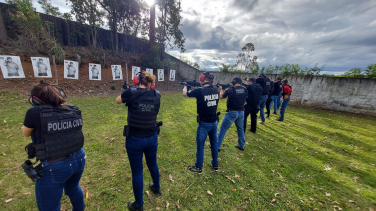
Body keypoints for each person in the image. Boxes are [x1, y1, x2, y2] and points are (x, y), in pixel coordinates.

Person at [22, 80, 86, 211]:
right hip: (79, 157)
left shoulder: (34, 113)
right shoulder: (73, 109)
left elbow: (26, 133)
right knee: (73, 188)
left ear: (35, 100)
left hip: (54, 166)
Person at [116, 72, 161, 211]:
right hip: (152, 137)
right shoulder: (157, 94)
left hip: (135, 139)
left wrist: (127, 90)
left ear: (137, 80)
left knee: (137, 172)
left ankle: (139, 205)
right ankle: (157, 188)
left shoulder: (131, 92)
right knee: (152, 164)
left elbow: (118, 100)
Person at [183, 72, 219, 174]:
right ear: (212, 80)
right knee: (214, 145)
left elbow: (185, 93)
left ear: (202, 79)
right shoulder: (216, 89)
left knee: (200, 147)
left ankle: (198, 167)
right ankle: (215, 164)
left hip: (204, 124)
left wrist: (185, 86)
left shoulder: (199, 91)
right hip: (214, 122)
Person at [217, 77, 248, 151]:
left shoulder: (230, 89)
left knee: (223, 129)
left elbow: (221, 96)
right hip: (241, 112)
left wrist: (221, 89)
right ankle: (241, 145)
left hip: (232, 112)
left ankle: (217, 146)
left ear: (234, 81)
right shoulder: (245, 89)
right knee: (240, 129)